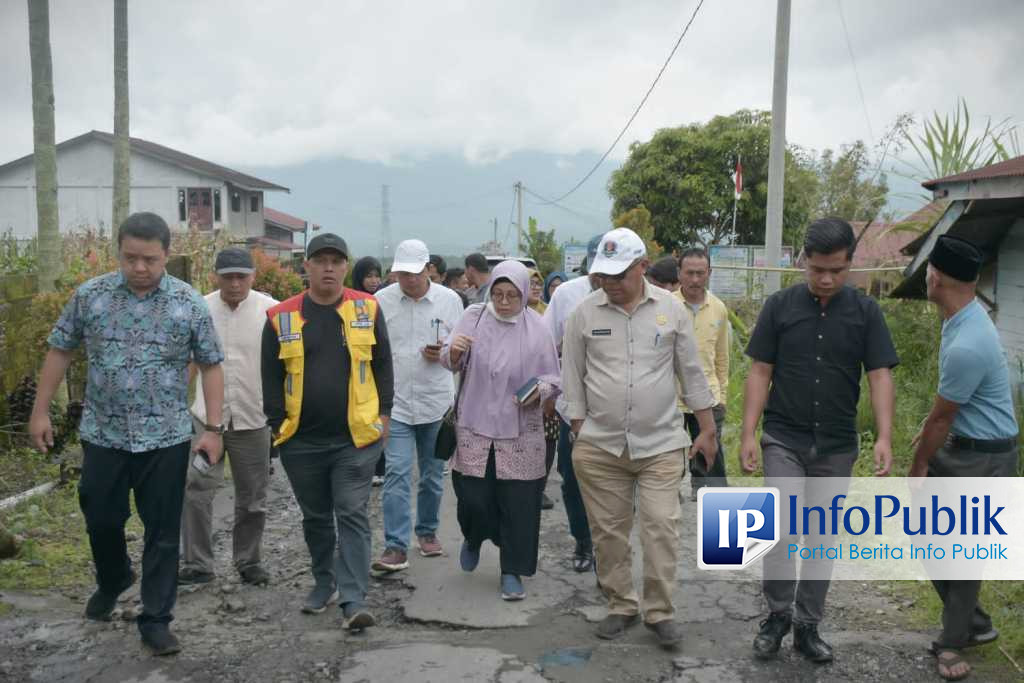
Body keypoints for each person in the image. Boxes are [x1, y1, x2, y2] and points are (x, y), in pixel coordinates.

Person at [29, 212, 224, 656]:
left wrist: (212, 429)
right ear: (118, 252)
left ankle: (155, 618)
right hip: (104, 434)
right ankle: (115, 576)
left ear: (166, 256)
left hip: (167, 437)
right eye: (130, 258)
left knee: (161, 532)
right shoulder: (91, 296)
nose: (139, 268)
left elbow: (211, 365)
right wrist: (41, 412)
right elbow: (60, 349)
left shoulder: (188, 303)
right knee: (100, 516)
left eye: (149, 260)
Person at [741, 218, 898, 663]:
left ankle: (808, 625)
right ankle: (776, 616)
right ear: (802, 262)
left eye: (837, 270)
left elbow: (879, 374)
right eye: (818, 270)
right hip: (784, 438)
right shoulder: (779, 307)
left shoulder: (866, 312)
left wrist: (884, 436)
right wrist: (749, 432)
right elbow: (760, 371)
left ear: (849, 264)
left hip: (836, 443)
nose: (827, 279)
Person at [562, 227, 717, 649]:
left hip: (661, 445)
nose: (609, 283)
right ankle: (621, 604)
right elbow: (571, 377)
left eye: (619, 275)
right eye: (603, 276)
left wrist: (707, 429)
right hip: (601, 447)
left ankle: (660, 612)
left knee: (661, 528)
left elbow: (692, 374)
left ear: (643, 267)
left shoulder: (671, 310)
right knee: (609, 533)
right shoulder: (584, 314)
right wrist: (579, 427)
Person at [261, 232, 394, 631]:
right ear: (307, 266)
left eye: (337, 261)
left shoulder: (367, 308)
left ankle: (354, 599)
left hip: (355, 439)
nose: (329, 268)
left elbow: (383, 364)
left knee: (351, 512)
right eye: (321, 260)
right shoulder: (280, 316)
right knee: (316, 517)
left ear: (345, 266)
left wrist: (384, 415)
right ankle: (325, 582)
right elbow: (269, 374)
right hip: (301, 441)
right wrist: (276, 423)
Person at [908, 235, 1019, 682]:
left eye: (928, 271)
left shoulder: (967, 341)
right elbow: (946, 413)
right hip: (963, 446)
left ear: (935, 277)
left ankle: (952, 642)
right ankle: (972, 620)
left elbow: (941, 419)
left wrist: (918, 465)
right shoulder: (960, 318)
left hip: (983, 459)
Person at [441, 260, 560, 601]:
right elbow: (448, 357)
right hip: (475, 423)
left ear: (524, 295)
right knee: (473, 496)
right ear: (489, 291)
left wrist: (542, 390)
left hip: (521, 428)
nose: (504, 302)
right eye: (498, 294)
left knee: (519, 504)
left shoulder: (537, 328)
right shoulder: (474, 317)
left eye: (512, 295)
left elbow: (554, 377)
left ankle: (512, 571)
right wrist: (454, 351)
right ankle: (475, 535)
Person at [180, 248, 277, 587]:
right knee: (196, 489)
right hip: (206, 418)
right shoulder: (199, 308)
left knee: (253, 497)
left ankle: (248, 560)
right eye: (228, 277)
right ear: (215, 276)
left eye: (241, 276)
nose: (235, 283)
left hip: (254, 415)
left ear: (253, 276)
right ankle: (197, 563)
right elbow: (189, 359)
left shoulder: (271, 310)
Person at [371, 239, 464, 572]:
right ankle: (395, 545)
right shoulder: (380, 301)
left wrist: (446, 352)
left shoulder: (450, 301)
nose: (408, 280)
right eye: (401, 274)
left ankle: (427, 532)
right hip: (394, 402)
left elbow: (463, 347)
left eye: (414, 273)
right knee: (396, 471)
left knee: (432, 474)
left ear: (429, 270)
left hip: (435, 402)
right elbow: (371, 350)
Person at [542, 234, 604, 574]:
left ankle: (608, 543)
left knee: (615, 480)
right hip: (572, 408)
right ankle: (583, 539)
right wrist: (548, 393)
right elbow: (544, 344)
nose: (601, 277)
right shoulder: (566, 295)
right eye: (596, 270)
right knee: (572, 476)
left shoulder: (632, 295)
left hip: (617, 410)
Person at [675, 248, 730, 501]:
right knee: (671, 453)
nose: (695, 279)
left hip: (708, 394)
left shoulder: (718, 309)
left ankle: (713, 495)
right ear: (680, 274)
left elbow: (721, 357)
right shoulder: (666, 306)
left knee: (712, 452)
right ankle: (668, 492)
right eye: (689, 273)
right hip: (671, 397)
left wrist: (722, 397)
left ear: (709, 273)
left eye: (700, 273)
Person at [352, 256, 387, 486]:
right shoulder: (351, 302)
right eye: (368, 276)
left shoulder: (383, 301)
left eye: (377, 275)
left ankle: (380, 468)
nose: (374, 281)